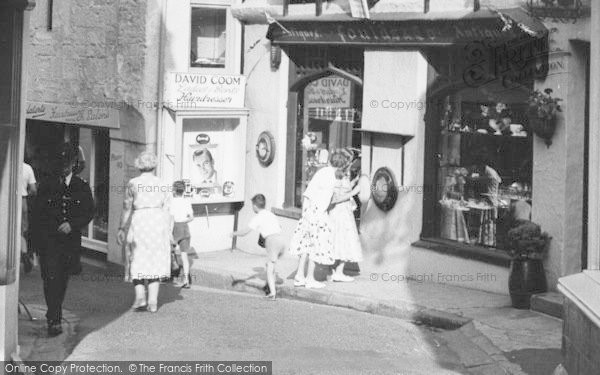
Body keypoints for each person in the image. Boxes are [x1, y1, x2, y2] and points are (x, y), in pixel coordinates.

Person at [31, 143, 94, 336]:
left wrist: (73, 225)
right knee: (50, 279)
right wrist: (32, 246)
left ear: (73, 164)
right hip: (48, 242)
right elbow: (37, 215)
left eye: (68, 163)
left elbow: (89, 212)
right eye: (62, 163)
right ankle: (54, 318)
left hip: (69, 244)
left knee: (62, 280)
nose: (64, 167)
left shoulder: (81, 186)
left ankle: (54, 312)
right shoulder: (47, 185)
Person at [117, 152, 172, 313]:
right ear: (154, 165)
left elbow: (127, 207)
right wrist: (169, 231)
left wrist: (121, 228)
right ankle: (153, 301)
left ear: (138, 165)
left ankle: (140, 296)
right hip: (158, 221)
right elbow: (168, 209)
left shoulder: (133, 183)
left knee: (137, 257)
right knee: (155, 260)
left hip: (140, 221)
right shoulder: (163, 183)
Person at [289, 150, 352, 289]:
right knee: (315, 247)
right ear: (341, 166)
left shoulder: (322, 173)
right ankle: (310, 278)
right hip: (318, 214)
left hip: (309, 212)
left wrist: (305, 213)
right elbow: (325, 199)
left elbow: (308, 194)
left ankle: (300, 276)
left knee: (306, 245)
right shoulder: (331, 177)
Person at [231, 194, 286, 300]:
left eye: (252, 205)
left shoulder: (258, 217)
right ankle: (270, 286)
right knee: (271, 265)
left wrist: (234, 233)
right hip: (281, 239)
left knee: (270, 267)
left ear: (255, 206)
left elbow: (245, 232)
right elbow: (279, 226)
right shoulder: (270, 214)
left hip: (271, 240)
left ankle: (272, 293)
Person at [329, 152, 363, 282]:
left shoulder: (342, 176)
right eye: (349, 162)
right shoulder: (336, 178)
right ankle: (338, 271)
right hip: (340, 212)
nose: (350, 165)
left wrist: (355, 181)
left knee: (339, 239)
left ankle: (334, 270)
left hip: (344, 211)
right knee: (344, 239)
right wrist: (353, 192)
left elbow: (344, 189)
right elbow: (335, 198)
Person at [170, 180, 194, 289]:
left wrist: (169, 232)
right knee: (184, 255)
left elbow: (170, 218)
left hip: (175, 227)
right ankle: (186, 279)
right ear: (183, 190)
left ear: (174, 190)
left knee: (170, 250)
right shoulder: (187, 201)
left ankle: (170, 272)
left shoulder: (171, 202)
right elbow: (191, 217)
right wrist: (184, 220)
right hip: (185, 227)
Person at [21, 161, 37, 273]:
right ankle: (25, 253)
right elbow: (33, 190)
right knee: (22, 231)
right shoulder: (28, 168)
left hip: (5, 199)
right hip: (22, 201)